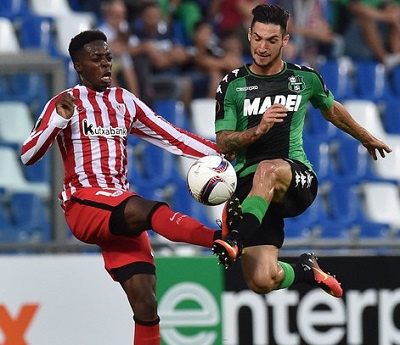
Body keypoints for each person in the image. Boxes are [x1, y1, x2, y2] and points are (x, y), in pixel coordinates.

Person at [20, 29, 224, 344]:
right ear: (78, 66)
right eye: (96, 59)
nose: (105, 65)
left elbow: (171, 136)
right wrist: (60, 121)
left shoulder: (124, 100)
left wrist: (220, 151)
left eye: (108, 58)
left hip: (118, 207)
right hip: (84, 204)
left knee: (146, 301)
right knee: (148, 209)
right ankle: (219, 240)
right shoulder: (65, 102)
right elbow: (28, 155)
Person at [211, 4, 392, 298]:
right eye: (257, 38)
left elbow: (331, 109)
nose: (262, 47)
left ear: (284, 40)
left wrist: (366, 137)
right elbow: (223, 142)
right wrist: (257, 131)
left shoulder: (304, 78)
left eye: (271, 40)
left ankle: (235, 239)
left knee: (268, 168)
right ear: (248, 35)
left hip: (295, 177)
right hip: (250, 186)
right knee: (261, 280)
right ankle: (307, 270)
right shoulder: (232, 84)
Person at [341, 0, 400, 70]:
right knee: (364, 19)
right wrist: (385, 17)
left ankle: (396, 56)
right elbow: (355, 8)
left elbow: (393, 9)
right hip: (353, 39)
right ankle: (385, 60)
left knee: (396, 17)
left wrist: (391, 14)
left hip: (381, 33)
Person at [97, 0, 140, 95]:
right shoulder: (102, 31)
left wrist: (123, 48)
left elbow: (137, 46)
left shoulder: (124, 28)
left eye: (122, 15)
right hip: (109, 63)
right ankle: (115, 99)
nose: (119, 19)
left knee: (125, 58)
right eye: (116, 15)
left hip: (124, 63)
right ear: (108, 15)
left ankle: (136, 99)